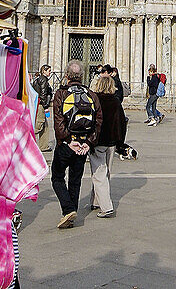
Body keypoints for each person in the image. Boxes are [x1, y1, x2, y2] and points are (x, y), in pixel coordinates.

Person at [52, 61, 103, 228]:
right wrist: (88, 142)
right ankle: (71, 213)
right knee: (75, 180)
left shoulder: (61, 94)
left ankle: (68, 210)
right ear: (82, 76)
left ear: (66, 75)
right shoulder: (91, 94)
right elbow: (99, 120)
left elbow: (58, 121)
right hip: (82, 146)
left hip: (67, 144)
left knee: (57, 177)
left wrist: (67, 140)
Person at [88, 73, 124, 219]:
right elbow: (122, 123)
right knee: (105, 172)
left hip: (98, 141)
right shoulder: (116, 102)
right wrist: (120, 142)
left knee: (98, 173)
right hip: (111, 142)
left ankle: (106, 206)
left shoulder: (95, 100)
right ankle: (96, 200)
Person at [31, 64, 54, 152]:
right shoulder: (43, 80)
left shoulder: (38, 79)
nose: (50, 73)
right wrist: (45, 107)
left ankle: (44, 146)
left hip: (39, 103)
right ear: (44, 71)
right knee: (39, 125)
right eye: (49, 71)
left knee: (45, 127)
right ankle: (28, 141)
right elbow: (43, 94)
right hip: (41, 105)